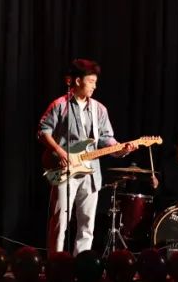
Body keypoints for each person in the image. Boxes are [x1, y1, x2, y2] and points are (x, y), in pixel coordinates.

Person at [38, 59, 138, 253]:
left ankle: (81, 263)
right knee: (60, 222)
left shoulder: (99, 109)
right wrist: (59, 150)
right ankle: (55, 262)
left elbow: (107, 139)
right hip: (65, 170)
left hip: (91, 173)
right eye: (91, 81)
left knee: (87, 225)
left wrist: (122, 149)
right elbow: (43, 131)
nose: (94, 86)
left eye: (95, 82)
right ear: (77, 81)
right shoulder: (60, 105)